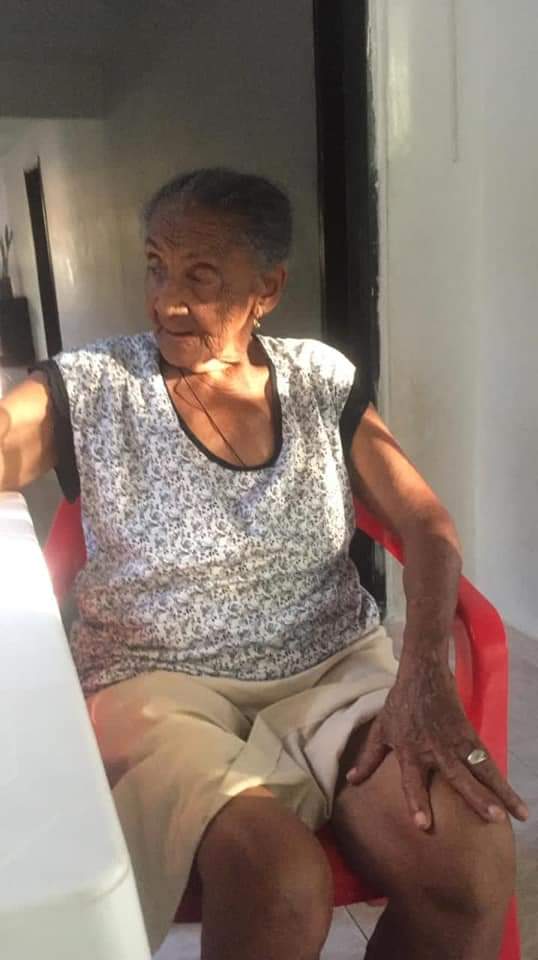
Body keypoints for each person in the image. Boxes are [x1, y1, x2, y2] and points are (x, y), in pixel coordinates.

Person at [0, 168, 527, 960]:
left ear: (267, 290)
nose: (167, 301)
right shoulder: (98, 385)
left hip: (332, 668)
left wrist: (423, 671)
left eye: (201, 277)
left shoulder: (318, 380)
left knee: (471, 868)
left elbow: (425, 524)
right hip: (157, 684)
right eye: (156, 267)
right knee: (278, 880)